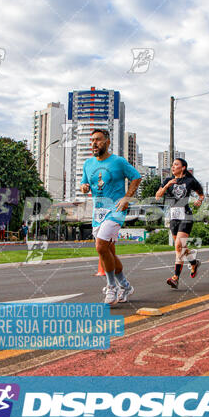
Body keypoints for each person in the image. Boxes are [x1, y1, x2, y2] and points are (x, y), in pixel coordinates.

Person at [81, 128, 141, 305]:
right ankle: (125, 285)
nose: (94, 143)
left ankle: (111, 287)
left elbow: (136, 177)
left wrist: (126, 197)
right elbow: (85, 183)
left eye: (98, 140)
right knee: (109, 252)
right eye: (92, 140)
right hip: (98, 213)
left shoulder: (118, 162)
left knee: (100, 247)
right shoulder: (88, 164)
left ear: (107, 142)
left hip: (116, 210)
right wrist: (84, 187)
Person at [156, 158, 204, 288]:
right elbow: (157, 196)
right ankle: (193, 262)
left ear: (183, 167)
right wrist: (167, 186)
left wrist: (199, 200)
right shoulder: (167, 180)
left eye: (176, 165)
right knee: (181, 248)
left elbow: (201, 194)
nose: (173, 167)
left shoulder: (190, 181)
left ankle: (175, 277)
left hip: (186, 215)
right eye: (172, 165)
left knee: (178, 245)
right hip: (173, 216)